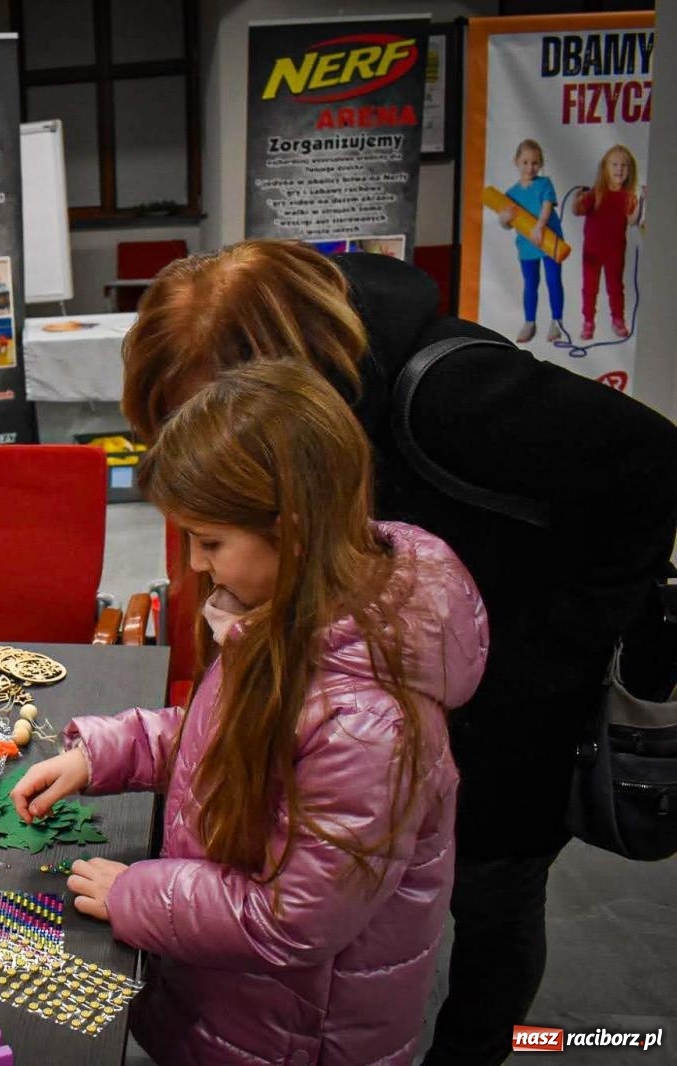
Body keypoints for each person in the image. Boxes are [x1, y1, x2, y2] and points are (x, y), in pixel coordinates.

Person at [120, 239, 677, 1064]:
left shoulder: (449, 395)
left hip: (511, 710)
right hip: (409, 681)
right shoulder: (322, 440)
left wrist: (533, 669)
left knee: (492, 895)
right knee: (393, 898)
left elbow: (651, 467)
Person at [13, 360, 487, 1064]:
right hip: (229, 1001)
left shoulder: (367, 722)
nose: (200, 567)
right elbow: (223, 737)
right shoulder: (279, 613)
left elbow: (294, 919)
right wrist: (105, 752)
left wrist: (136, 896)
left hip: (297, 1036)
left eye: (210, 543)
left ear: (292, 532)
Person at [572, 144, 644, 340]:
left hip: (615, 251)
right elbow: (577, 211)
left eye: (624, 165)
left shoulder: (629, 197)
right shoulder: (596, 193)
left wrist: (643, 200)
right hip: (592, 251)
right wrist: (577, 200)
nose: (619, 169)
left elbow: (632, 220)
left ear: (630, 170)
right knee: (589, 288)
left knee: (615, 287)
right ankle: (588, 322)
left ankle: (617, 320)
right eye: (615, 165)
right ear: (605, 168)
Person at [498, 138, 566, 344]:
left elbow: (546, 206)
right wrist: (504, 220)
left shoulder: (545, 183)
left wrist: (539, 226)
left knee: (553, 281)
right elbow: (508, 224)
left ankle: (557, 321)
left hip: (549, 240)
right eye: (525, 162)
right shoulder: (511, 193)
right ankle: (530, 322)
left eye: (535, 163)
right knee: (531, 284)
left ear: (541, 164)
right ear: (516, 162)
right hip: (527, 245)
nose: (530, 167)